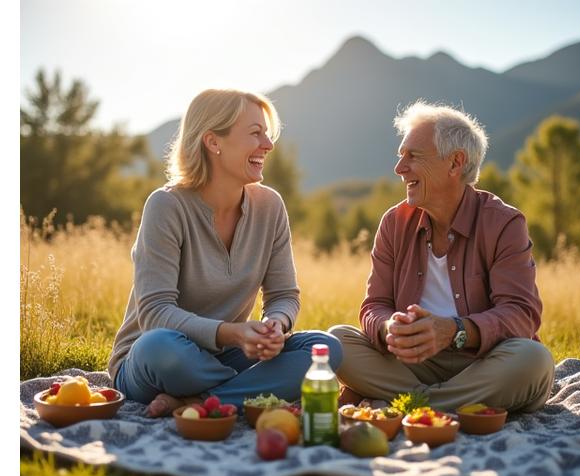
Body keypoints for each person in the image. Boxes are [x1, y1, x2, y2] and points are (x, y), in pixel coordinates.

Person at [107, 89, 342, 417]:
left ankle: (201, 402)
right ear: (213, 142)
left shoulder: (269, 206)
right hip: (156, 360)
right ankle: (245, 391)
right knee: (161, 347)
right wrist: (232, 333)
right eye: (255, 134)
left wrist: (274, 325)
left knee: (326, 349)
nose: (268, 145)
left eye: (267, 134)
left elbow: (284, 294)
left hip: (223, 356)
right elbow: (155, 313)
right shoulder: (166, 206)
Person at [329, 101, 554, 413]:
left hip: (483, 362)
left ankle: (413, 402)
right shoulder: (394, 223)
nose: (399, 168)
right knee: (335, 342)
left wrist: (454, 330)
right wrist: (388, 328)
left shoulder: (503, 223)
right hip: (412, 364)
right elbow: (374, 306)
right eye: (400, 156)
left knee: (534, 360)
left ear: (455, 163)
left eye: (413, 156)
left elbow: (521, 314)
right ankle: (453, 403)